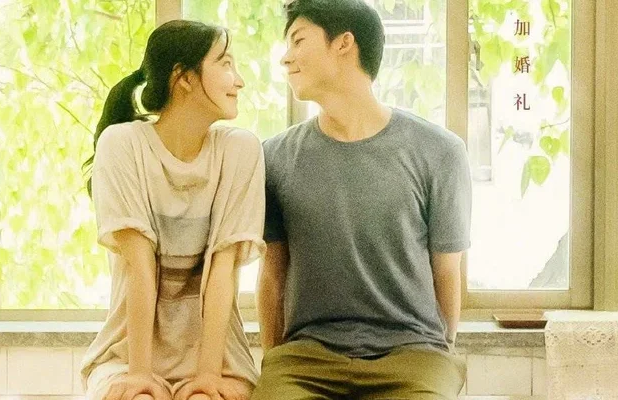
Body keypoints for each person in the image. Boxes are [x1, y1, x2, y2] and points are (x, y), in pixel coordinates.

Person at [253, 0, 472, 398]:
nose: (286, 58)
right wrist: (274, 359)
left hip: (413, 354)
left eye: (298, 41)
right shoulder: (274, 157)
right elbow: (272, 274)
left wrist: (441, 354)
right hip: (306, 358)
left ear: (344, 43)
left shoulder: (440, 151)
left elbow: (447, 271)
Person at [79, 19, 265, 400]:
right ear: (184, 78)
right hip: (127, 355)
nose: (239, 80)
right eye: (225, 63)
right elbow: (139, 265)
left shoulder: (241, 150)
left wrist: (208, 376)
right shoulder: (122, 145)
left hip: (219, 358)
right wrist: (140, 375)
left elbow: (223, 269)